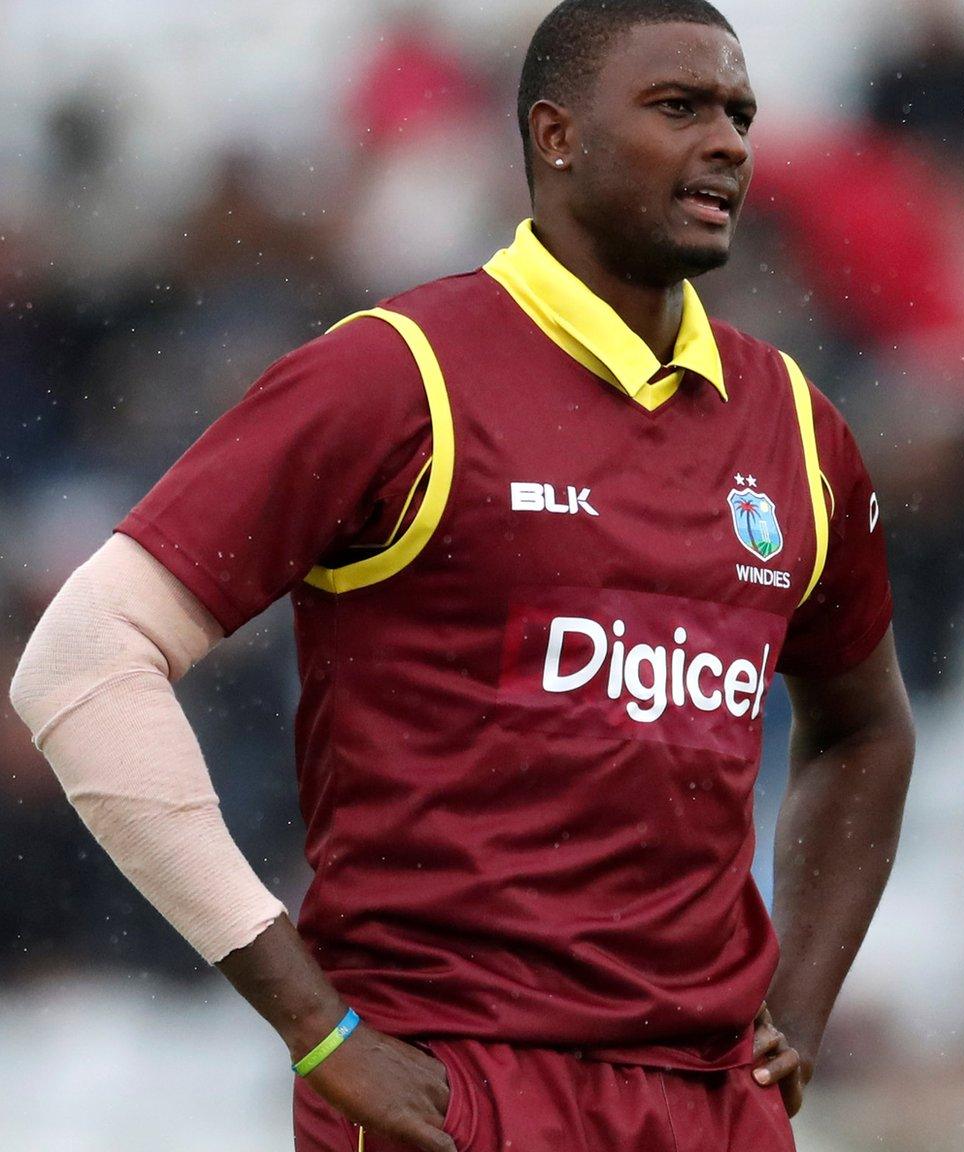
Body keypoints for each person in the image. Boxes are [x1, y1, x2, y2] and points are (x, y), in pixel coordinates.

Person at [7, 2, 915, 1149]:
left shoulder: (795, 423)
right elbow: (82, 661)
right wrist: (313, 1023)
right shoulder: (396, 374)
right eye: (679, 107)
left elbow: (864, 729)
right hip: (453, 1090)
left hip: (706, 1101)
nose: (728, 140)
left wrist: (800, 1004)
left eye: (739, 112)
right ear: (556, 134)